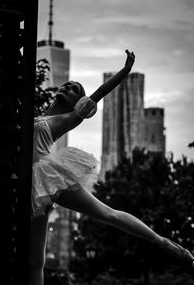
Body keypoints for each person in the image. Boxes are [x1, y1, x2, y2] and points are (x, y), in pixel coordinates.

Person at [29, 49, 194, 285]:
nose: (67, 86)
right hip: (32, 185)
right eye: (66, 84)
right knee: (35, 260)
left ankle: (162, 241)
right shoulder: (38, 116)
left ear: (79, 102)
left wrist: (125, 70)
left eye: (74, 88)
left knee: (108, 214)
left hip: (47, 176)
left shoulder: (70, 118)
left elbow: (100, 93)